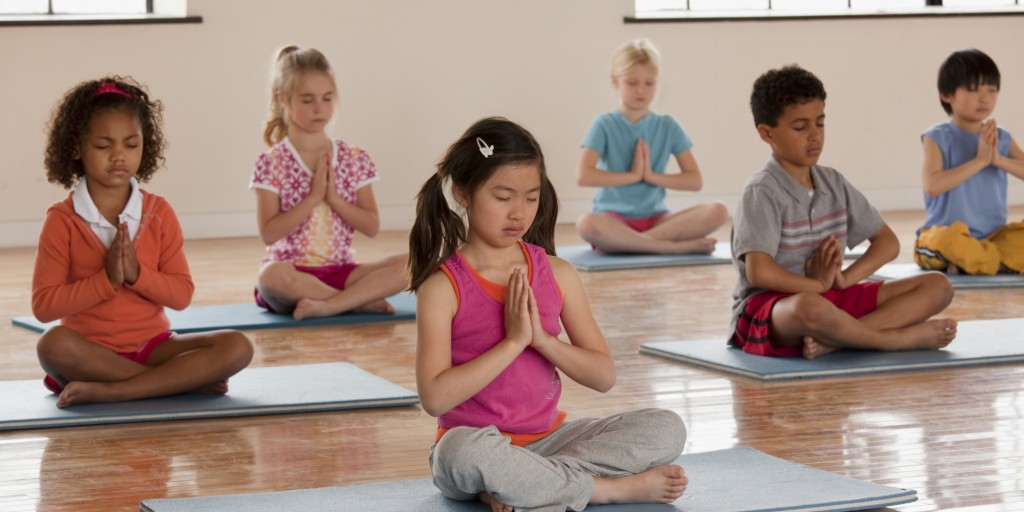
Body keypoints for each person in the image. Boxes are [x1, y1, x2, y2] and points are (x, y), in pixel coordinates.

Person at [411, 117, 687, 511]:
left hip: (551, 441)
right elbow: (435, 399)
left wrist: (541, 339)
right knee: (458, 452)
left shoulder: (558, 274)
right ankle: (603, 489)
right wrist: (513, 342)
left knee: (667, 428)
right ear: (463, 192)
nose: (519, 213)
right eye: (503, 197)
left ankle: (525, 482)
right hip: (475, 445)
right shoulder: (442, 288)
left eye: (531, 197)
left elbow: (603, 377)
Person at [32, 76, 254, 408]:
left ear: (144, 145)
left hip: (155, 348)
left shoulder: (159, 212)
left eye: (131, 144)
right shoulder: (62, 220)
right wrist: (106, 281)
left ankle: (117, 389)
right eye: (104, 145)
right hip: (89, 353)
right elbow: (44, 306)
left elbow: (181, 296)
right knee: (52, 345)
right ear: (76, 148)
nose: (118, 155)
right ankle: (173, 383)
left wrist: (138, 275)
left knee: (239, 345)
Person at [731, 65, 957, 360]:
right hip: (776, 308)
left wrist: (845, 280)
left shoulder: (833, 182)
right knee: (810, 307)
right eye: (800, 127)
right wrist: (814, 285)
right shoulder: (761, 190)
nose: (814, 136)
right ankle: (892, 340)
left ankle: (838, 341)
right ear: (766, 133)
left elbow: (887, 243)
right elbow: (759, 271)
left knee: (938, 286)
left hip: (830, 297)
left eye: (820, 123)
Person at [251, 46, 407, 319]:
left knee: (416, 263)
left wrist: (334, 199)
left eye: (327, 98)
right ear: (283, 100)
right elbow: (269, 233)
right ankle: (357, 303)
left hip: (342, 272)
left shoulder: (354, 158)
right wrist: (313, 198)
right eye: (307, 100)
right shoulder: (271, 163)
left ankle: (333, 304)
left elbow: (371, 226)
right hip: (292, 274)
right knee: (270, 278)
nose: (319, 108)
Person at [575, 38, 727, 255]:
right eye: (632, 82)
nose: (641, 91)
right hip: (613, 219)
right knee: (586, 224)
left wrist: (651, 176)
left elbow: (695, 181)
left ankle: (628, 244)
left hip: (658, 221)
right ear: (615, 81)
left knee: (718, 210)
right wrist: (633, 175)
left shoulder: (668, 125)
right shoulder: (603, 124)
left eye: (649, 83)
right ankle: (669, 247)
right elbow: (583, 176)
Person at [916, 48, 1024, 275]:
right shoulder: (937, 137)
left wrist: (997, 160)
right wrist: (980, 161)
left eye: (991, 90)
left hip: (993, 237)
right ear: (947, 95)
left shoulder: (1000, 137)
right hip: (946, 234)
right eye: (973, 90)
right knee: (945, 241)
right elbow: (932, 187)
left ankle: (976, 261)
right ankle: (991, 263)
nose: (984, 98)